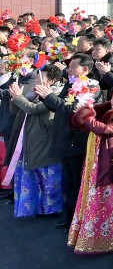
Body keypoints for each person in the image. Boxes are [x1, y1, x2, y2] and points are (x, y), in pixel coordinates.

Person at [66, 84, 113, 254]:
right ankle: (101, 236)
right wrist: (83, 108)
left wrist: (86, 114)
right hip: (101, 163)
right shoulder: (109, 111)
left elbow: (106, 130)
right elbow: (82, 125)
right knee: (103, 202)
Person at [41, 53, 96, 229]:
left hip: (77, 142)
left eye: (73, 67)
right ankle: (69, 216)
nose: (69, 70)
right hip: (64, 139)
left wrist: (50, 96)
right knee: (68, 182)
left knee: (76, 183)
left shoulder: (91, 87)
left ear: (85, 69)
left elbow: (74, 111)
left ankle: (76, 220)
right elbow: (58, 107)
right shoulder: (71, 84)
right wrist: (45, 96)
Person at [8, 69, 64, 218]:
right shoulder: (32, 94)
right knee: (33, 176)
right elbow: (15, 110)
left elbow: (32, 109)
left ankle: (52, 209)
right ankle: (36, 208)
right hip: (30, 137)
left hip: (45, 140)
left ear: (51, 81)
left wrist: (19, 97)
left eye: (40, 79)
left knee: (48, 177)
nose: (36, 82)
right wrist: (15, 96)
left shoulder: (56, 94)